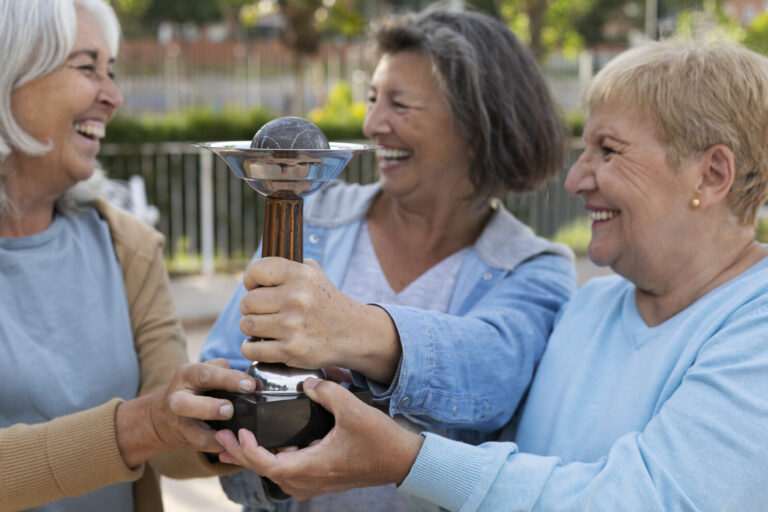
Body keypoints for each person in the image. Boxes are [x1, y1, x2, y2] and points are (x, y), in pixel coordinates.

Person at [214, 38, 768, 511]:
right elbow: (498, 463)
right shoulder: (593, 306)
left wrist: (407, 460)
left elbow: (641, 500)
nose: (576, 180)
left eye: (608, 151)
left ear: (713, 174)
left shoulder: (755, 323)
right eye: (584, 149)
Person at [201, 5, 577, 511]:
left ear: (478, 123)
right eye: (373, 98)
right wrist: (242, 438)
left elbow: (495, 377)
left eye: (399, 105)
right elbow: (223, 367)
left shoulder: (534, 267)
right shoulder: (313, 219)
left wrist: (351, 330)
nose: (373, 123)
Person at [0, 1, 256, 510]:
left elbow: (168, 444)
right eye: (87, 67)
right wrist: (137, 425)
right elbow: (148, 427)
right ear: (10, 72)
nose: (113, 96)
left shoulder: (129, 247)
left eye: (111, 72)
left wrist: (245, 415)